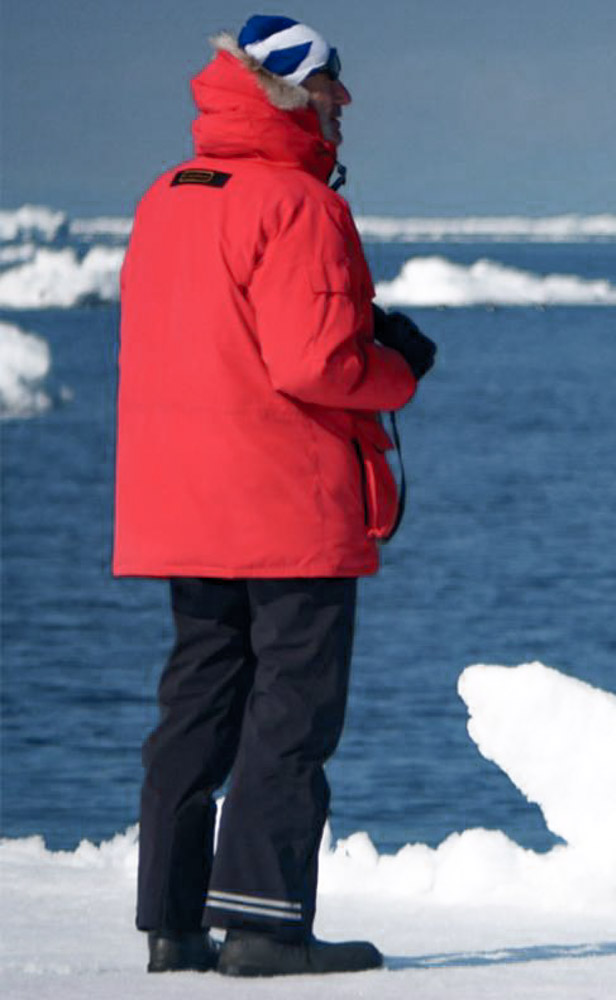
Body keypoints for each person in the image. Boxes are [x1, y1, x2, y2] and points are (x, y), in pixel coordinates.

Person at [114, 14, 435, 977]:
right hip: (284, 501)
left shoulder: (164, 196)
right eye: (334, 85)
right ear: (295, 93)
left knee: (197, 700)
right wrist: (398, 364)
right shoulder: (298, 204)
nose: (347, 103)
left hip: (178, 502)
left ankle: (172, 922)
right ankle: (261, 925)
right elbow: (315, 364)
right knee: (291, 710)